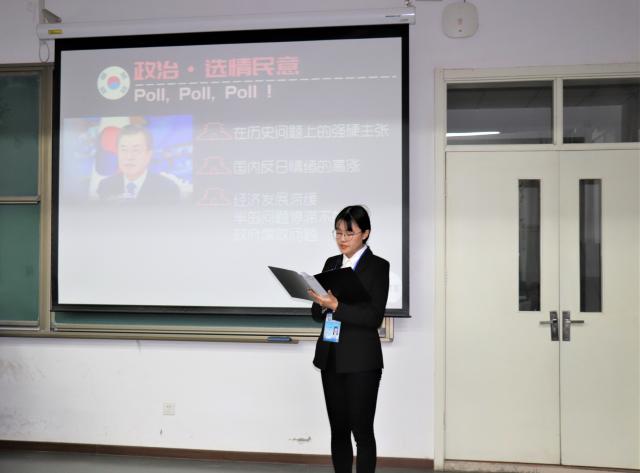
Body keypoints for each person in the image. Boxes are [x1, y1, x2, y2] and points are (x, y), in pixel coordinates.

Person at [307, 205, 390, 473]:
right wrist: (321, 304)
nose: (342, 239)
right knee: (338, 430)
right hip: (330, 358)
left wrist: (336, 305)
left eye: (349, 233)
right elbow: (316, 314)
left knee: (362, 432)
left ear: (365, 233)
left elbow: (373, 317)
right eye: (338, 232)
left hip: (361, 361)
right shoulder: (332, 263)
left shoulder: (378, 267)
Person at [96, 124, 180, 203]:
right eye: (124, 150)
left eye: (136, 150)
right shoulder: (105, 186)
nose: (129, 157)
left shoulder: (167, 188)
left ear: (148, 155)